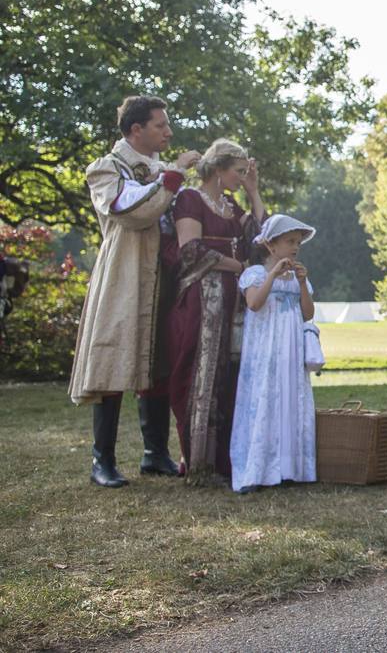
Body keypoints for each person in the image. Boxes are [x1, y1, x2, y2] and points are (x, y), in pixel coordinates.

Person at [70, 96, 200, 487]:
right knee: (112, 357)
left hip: (163, 276)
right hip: (124, 276)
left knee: (158, 358)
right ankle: (102, 461)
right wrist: (173, 176)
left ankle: (154, 453)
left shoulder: (162, 170)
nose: (169, 132)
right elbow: (131, 211)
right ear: (136, 129)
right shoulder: (106, 169)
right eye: (161, 125)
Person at [166, 138, 266, 480]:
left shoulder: (231, 206)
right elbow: (191, 251)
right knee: (197, 371)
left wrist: (253, 193)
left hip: (231, 299)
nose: (241, 177)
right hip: (202, 299)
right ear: (219, 169)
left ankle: (225, 459)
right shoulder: (190, 199)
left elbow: (259, 241)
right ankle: (197, 459)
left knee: (228, 374)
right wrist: (237, 267)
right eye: (238, 172)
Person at [230, 215, 319, 493]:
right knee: (265, 399)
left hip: (290, 353)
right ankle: (257, 469)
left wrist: (303, 284)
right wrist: (272, 275)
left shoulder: (298, 278)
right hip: (264, 353)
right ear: (271, 245)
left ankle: (288, 468)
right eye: (290, 242)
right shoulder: (255, 275)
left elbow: (308, 313)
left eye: (298, 243)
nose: (295, 247)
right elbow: (255, 303)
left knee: (290, 399)